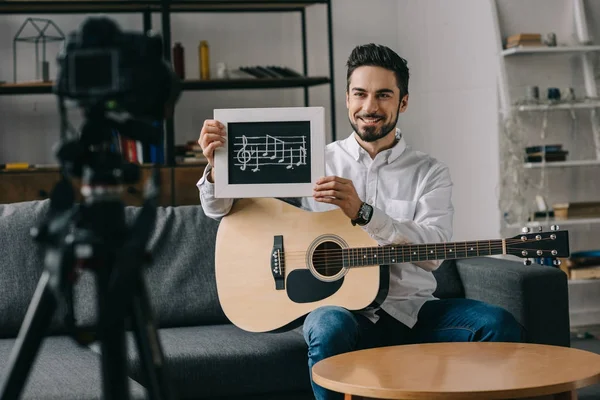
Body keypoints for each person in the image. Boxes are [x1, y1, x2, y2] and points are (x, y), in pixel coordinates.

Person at [196, 43, 525, 400]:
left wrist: (365, 214)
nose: (370, 107)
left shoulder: (430, 173)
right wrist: (218, 168)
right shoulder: (313, 159)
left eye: (384, 95)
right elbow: (221, 209)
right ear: (347, 98)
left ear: (403, 102)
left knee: (496, 323)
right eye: (360, 94)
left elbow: (433, 254)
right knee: (326, 323)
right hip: (343, 313)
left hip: (413, 311)